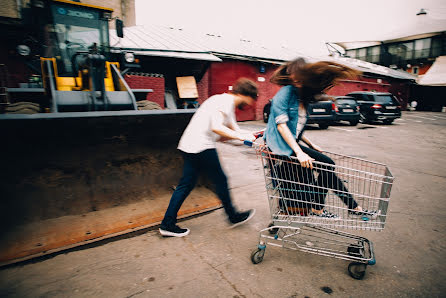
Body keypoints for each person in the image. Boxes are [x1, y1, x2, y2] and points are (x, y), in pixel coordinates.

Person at [264, 58, 377, 218]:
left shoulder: (302, 96)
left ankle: (351, 208)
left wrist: (311, 144)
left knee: (326, 167)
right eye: (292, 74)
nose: (294, 78)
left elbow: (295, 128)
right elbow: (281, 125)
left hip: (291, 144)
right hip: (280, 146)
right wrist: (300, 152)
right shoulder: (286, 92)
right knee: (327, 164)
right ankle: (326, 208)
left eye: (298, 75)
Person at [159, 78, 258, 237]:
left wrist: (248, 138)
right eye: (252, 99)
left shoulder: (225, 103)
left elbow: (233, 134)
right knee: (220, 180)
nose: (251, 104)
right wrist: (242, 138)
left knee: (186, 185)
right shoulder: (224, 101)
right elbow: (217, 128)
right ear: (244, 94)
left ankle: (167, 224)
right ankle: (233, 216)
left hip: (189, 145)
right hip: (201, 146)